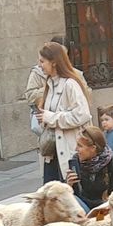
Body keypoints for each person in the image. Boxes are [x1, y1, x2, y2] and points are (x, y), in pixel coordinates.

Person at [34, 41, 91, 184]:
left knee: (68, 198)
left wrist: (51, 117)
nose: (40, 65)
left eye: (42, 61)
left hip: (69, 152)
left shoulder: (70, 84)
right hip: (52, 154)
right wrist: (43, 118)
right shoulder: (49, 84)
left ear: (53, 62)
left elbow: (82, 114)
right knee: (50, 199)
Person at [67, 125, 113, 212]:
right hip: (83, 209)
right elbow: (76, 195)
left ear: (93, 148)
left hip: (106, 209)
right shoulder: (76, 160)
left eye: (80, 146)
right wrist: (69, 185)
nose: (76, 149)